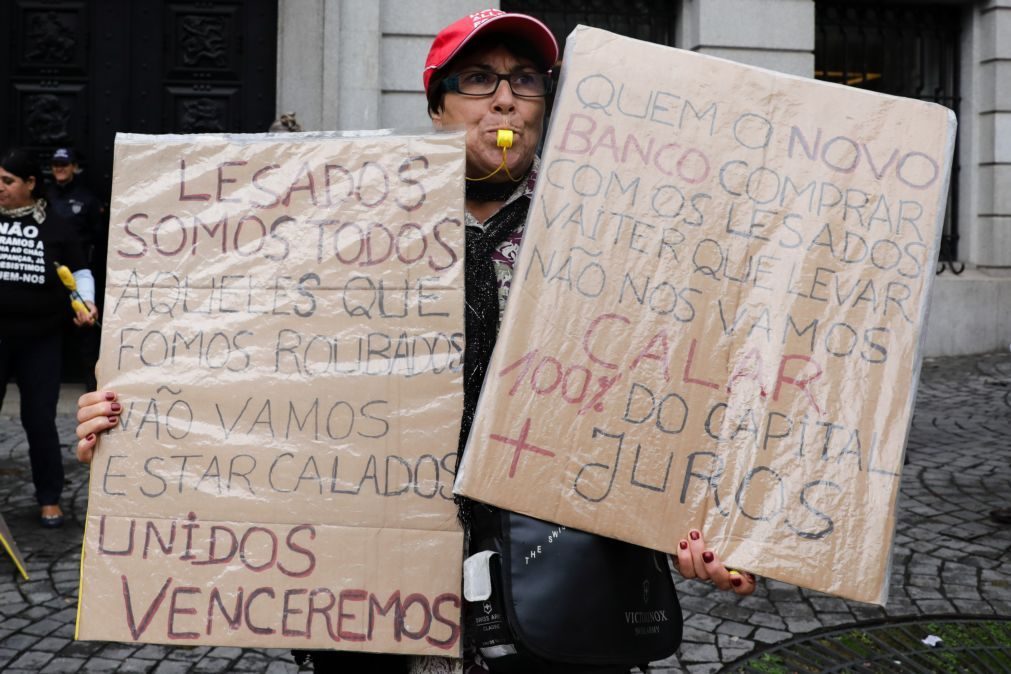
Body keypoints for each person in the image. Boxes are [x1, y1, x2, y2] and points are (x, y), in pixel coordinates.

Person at [75, 9, 754, 670]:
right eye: (477, 81)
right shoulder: (345, 229)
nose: (504, 101)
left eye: (525, 80)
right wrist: (139, 428)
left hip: (559, 582)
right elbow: (259, 376)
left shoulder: (612, 234)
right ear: (437, 107)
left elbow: (672, 395)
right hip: (377, 590)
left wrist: (712, 521)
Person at [1, 148, 98, 528]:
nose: (2, 188)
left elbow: (80, 269)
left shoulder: (54, 224)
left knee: (39, 419)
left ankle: (49, 498)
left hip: (40, 340)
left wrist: (85, 301)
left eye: (8, 181)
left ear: (29, 184)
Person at [47, 147, 105, 392]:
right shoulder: (45, 195)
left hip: (80, 273)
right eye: (56, 164)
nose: (60, 168)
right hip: (51, 274)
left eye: (64, 164)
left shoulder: (87, 198)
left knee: (86, 333)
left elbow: (99, 235)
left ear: (74, 166)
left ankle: (92, 386)